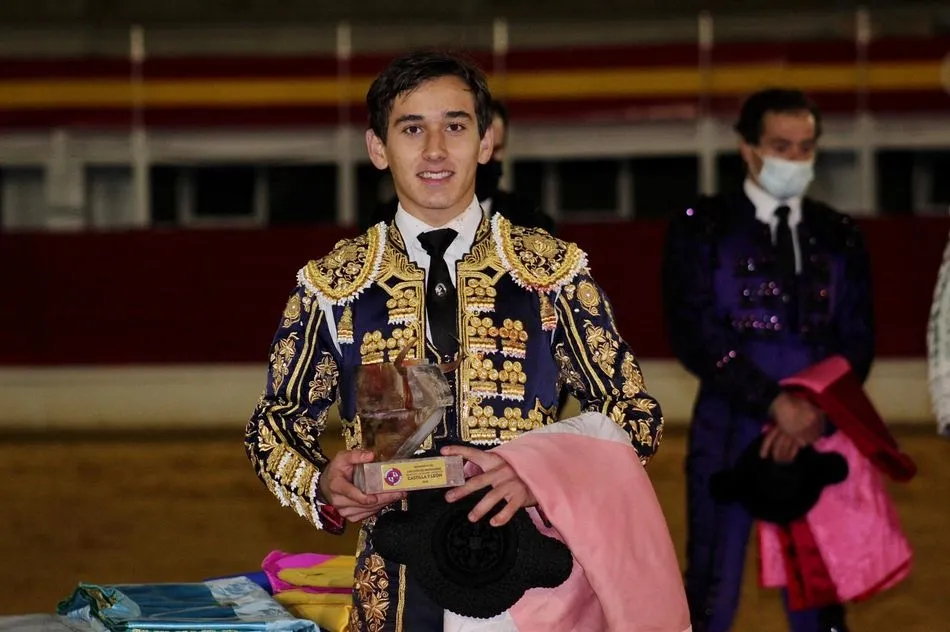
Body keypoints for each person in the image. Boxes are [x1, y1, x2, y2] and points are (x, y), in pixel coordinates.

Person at [245, 50, 665, 631]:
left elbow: (633, 413)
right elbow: (274, 424)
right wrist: (321, 482)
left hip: (536, 587)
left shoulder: (552, 272)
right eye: (412, 129)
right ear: (378, 148)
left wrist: (540, 475)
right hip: (396, 590)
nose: (436, 150)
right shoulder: (334, 286)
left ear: (486, 142)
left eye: (456, 126)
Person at [662, 88, 874, 632]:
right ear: (748, 148)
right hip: (729, 419)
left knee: (820, 590)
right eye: (782, 146)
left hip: (817, 425)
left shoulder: (839, 233)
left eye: (806, 147)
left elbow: (857, 338)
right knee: (712, 584)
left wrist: (813, 411)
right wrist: (775, 403)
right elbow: (694, 332)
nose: (795, 159)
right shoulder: (703, 226)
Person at [363, 99, 556, 234]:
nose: (486, 158)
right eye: (413, 130)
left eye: (495, 149)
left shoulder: (532, 221)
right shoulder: (380, 223)